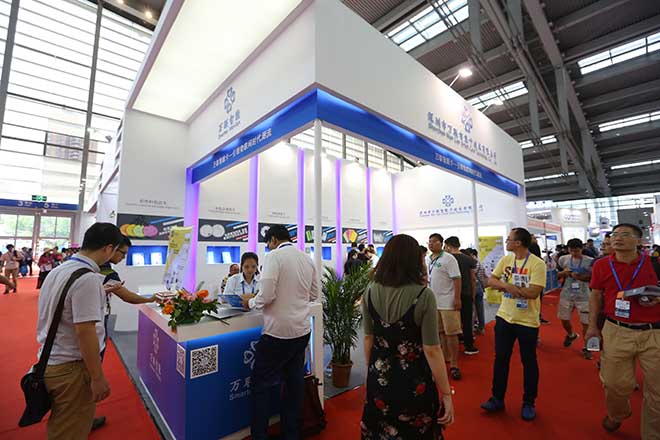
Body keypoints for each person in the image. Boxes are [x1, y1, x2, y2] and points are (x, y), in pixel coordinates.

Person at [36, 222, 124, 439]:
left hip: (51, 359)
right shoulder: (88, 279)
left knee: (66, 419)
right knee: (69, 430)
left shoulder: (60, 270)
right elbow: (85, 332)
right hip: (72, 367)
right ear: (108, 248)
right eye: (117, 251)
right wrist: (97, 376)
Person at [360, 234, 454, 438]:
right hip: (414, 383)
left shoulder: (369, 291)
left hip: (379, 378)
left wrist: (369, 373)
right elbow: (432, 349)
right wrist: (446, 393)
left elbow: (368, 338)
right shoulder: (424, 295)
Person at [240, 225, 320, 440]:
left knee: (260, 386)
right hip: (302, 331)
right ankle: (291, 433)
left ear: (273, 240)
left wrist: (251, 302)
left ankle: (260, 435)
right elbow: (314, 294)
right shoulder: (306, 258)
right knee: (294, 385)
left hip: (277, 333)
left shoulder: (274, 257)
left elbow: (266, 295)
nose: (268, 247)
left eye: (268, 243)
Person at [586, 223, 659, 437]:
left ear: (639, 241)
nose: (617, 238)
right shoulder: (601, 265)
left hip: (655, 332)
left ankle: (652, 434)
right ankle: (618, 413)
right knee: (614, 383)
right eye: (615, 234)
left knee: (657, 392)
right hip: (616, 329)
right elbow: (596, 295)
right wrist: (592, 326)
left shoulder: (655, 263)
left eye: (625, 234)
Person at [481, 227, 546, 421]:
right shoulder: (506, 260)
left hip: (527, 321)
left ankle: (529, 402)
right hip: (504, 317)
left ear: (518, 243)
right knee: (501, 359)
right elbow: (490, 280)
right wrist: (507, 286)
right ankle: (497, 398)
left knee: (529, 361)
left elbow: (534, 292)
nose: (506, 242)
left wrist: (509, 288)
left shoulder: (537, 264)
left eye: (509, 239)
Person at [93, 235, 157, 430]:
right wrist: (150, 299)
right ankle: (81, 417)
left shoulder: (81, 268)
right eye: (122, 253)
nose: (122, 258)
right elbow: (127, 296)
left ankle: (85, 415)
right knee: (89, 371)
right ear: (110, 248)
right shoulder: (105, 272)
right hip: (93, 326)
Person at [425, 233, 463, 380]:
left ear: (441, 243)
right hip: (433, 302)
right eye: (429, 242)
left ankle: (454, 364)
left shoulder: (449, 258)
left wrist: (457, 298)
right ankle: (445, 358)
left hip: (448, 302)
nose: (431, 244)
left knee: (451, 333)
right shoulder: (428, 259)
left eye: (434, 241)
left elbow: (457, 279)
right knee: (440, 332)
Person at [557, 238, 594, 359]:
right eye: (571, 250)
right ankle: (571, 334)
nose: (574, 253)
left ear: (581, 249)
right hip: (567, 294)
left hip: (584, 295)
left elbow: (593, 278)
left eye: (576, 251)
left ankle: (587, 347)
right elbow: (556, 274)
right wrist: (564, 273)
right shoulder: (563, 259)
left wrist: (580, 277)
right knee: (564, 318)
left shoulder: (589, 261)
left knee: (586, 323)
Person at [444, 237, 479, 355]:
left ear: (448, 246)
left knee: (453, 320)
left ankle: (456, 342)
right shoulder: (468, 259)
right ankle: (469, 345)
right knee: (467, 320)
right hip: (466, 293)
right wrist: (473, 293)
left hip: (451, 293)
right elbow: (473, 278)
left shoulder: (447, 259)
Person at [468, 248, 488, 334]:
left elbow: (472, 276)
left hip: (473, 286)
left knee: (472, 309)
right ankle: (481, 328)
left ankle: (472, 329)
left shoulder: (472, 263)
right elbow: (484, 275)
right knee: (480, 309)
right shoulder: (480, 263)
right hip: (480, 286)